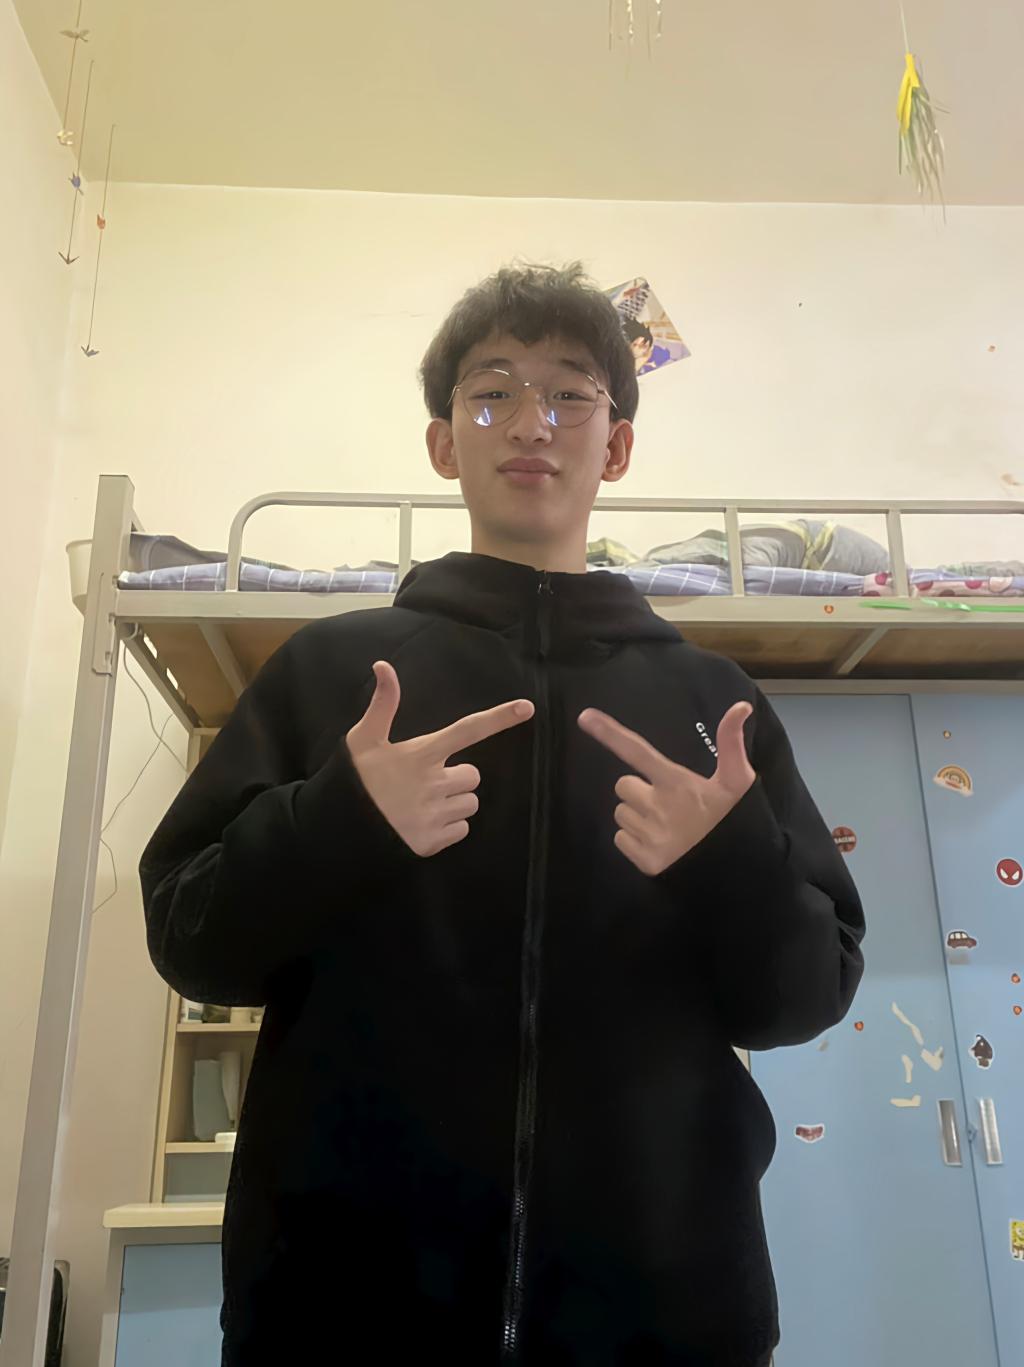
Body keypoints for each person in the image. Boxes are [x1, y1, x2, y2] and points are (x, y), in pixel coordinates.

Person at [140, 261, 865, 1366]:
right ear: (444, 442)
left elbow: (802, 998)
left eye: (571, 393)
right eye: (492, 393)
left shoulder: (711, 703)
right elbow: (190, 941)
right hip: (339, 1313)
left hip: (667, 1316)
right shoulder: (333, 673)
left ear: (616, 445)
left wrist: (732, 865)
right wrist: (334, 821)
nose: (531, 423)